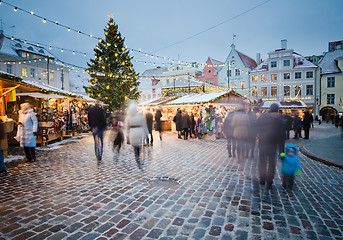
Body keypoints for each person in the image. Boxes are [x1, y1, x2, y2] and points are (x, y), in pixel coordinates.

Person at [257, 103, 284, 190]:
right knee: (271, 163)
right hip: (273, 145)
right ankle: (269, 181)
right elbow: (281, 136)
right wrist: (281, 151)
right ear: (277, 110)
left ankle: (262, 178)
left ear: (270, 109)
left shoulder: (262, 117)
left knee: (262, 161)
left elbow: (257, 128)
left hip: (262, 143)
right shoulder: (279, 119)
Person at [125, 102, 148, 169]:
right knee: (139, 146)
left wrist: (127, 136)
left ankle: (137, 159)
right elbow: (144, 126)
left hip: (132, 132)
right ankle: (140, 159)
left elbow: (126, 128)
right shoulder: (140, 116)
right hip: (140, 132)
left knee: (135, 148)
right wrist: (147, 135)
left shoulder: (128, 117)